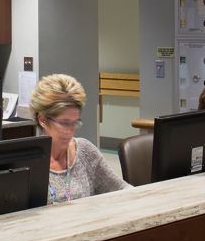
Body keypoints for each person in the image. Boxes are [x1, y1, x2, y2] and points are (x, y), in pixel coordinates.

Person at [29, 74, 130, 203]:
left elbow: (122, 189)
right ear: (43, 120)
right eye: (64, 123)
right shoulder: (28, 164)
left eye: (75, 123)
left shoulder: (84, 151)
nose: (71, 130)